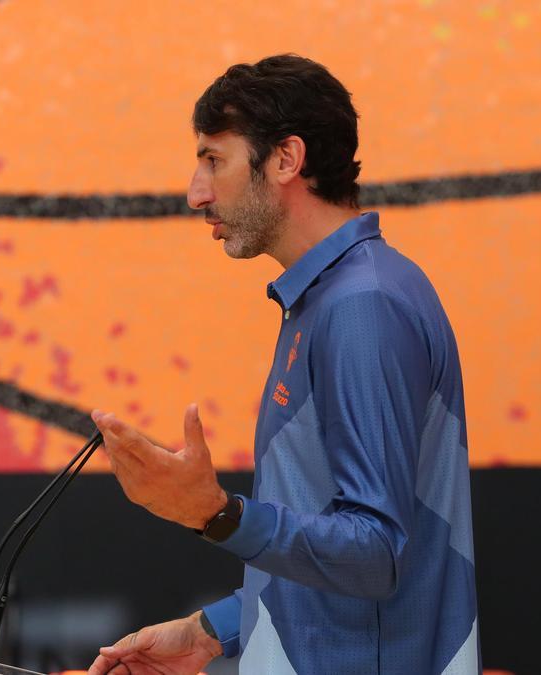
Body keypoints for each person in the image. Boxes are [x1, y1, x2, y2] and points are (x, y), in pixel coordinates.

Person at [87, 54, 479, 675]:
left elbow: (376, 555)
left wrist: (215, 515)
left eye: (214, 159)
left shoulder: (362, 307)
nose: (196, 192)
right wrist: (210, 631)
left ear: (287, 160)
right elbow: (340, 554)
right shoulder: (331, 297)